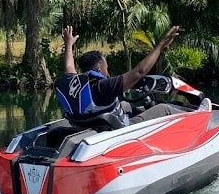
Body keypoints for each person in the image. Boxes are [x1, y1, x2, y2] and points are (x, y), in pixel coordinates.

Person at [57, 25, 192, 128]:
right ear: (99, 69)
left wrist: (69, 45)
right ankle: (198, 118)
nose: (108, 73)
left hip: (93, 126)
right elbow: (140, 72)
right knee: (164, 109)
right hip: (118, 131)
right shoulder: (104, 86)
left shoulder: (74, 85)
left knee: (125, 104)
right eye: (106, 68)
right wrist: (161, 46)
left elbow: (69, 68)